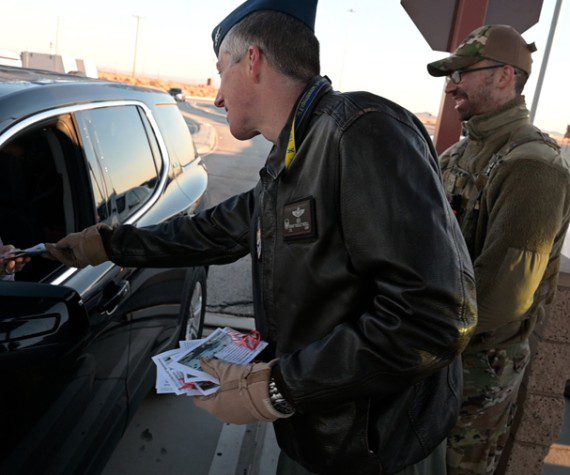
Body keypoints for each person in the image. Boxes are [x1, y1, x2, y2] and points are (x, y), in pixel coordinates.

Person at [45, 1, 477, 473]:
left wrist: (277, 388)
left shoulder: (361, 131)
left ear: (252, 61)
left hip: (378, 444)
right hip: (321, 429)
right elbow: (211, 231)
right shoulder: (291, 155)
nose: (216, 98)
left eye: (219, 72)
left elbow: (433, 318)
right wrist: (104, 244)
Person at [427, 24, 570, 475]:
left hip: (475, 380)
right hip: (436, 359)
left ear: (506, 75)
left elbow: (501, 297)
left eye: (464, 72)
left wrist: (408, 338)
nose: (453, 85)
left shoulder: (534, 166)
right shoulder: (458, 155)